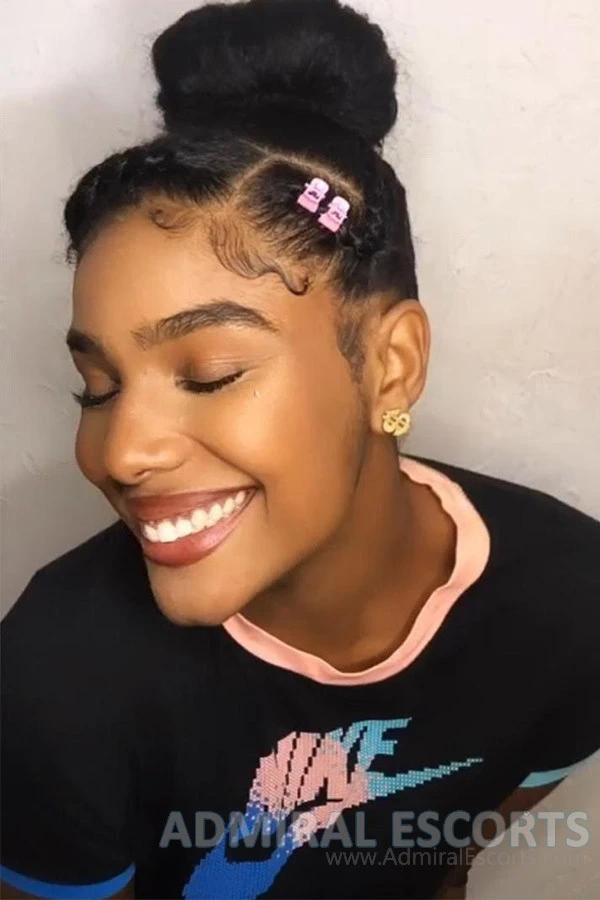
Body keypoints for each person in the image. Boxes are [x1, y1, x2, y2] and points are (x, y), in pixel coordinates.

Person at [1, 1, 599, 898]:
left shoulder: (571, 600)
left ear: (390, 367)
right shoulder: (59, 675)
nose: (120, 454)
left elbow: (453, 851)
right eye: (99, 386)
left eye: (209, 374)